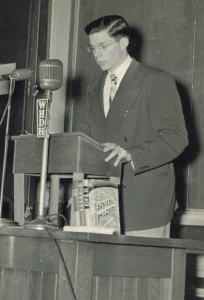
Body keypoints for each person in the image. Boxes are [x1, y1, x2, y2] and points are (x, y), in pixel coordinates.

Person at [84, 15, 188, 237]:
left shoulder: (156, 80)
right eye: (92, 48)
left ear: (123, 42)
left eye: (103, 46)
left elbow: (176, 137)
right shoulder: (95, 86)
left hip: (144, 201)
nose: (97, 54)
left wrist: (132, 154)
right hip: (103, 200)